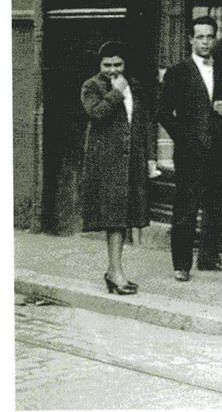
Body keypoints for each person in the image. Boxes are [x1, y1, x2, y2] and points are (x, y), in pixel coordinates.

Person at [159, 16, 222, 282]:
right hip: (189, 153)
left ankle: (209, 258)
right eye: (200, 37)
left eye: (209, 36)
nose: (205, 42)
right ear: (191, 40)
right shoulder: (178, 72)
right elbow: (163, 113)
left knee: (215, 206)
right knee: (186, 208)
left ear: (215, 38)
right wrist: (184, 139)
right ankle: (181, 264)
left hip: (217, 150)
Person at [81, 41, 157, 295]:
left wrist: (150, 157)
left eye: (118, 64)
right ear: (99, 65)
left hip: (131, 160)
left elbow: (144, 122)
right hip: (107, 163)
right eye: (107, 65)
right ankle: (115, 272)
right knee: (114, 219)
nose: (113, 70)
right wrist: (116, 93)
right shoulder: (92, 86)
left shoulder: (134, 85)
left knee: (124, 218)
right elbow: (97, 114)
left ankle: (115, 271)